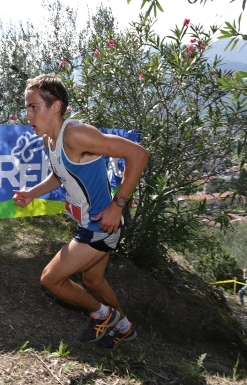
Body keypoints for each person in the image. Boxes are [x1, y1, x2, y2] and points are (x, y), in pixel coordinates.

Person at [12, 74, 150, 350]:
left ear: (56, 106)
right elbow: (58, 175)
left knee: (50, 279)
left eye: (33, 107)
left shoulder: (76, 134)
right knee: (93, 280)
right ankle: (123, 327)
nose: (28, 114)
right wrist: (31, 193)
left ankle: (103, 315)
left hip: (102, 224)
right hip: (89, 223)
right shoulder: (49, 140)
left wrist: (118, 204)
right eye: (26, 107)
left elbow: (139, 154)